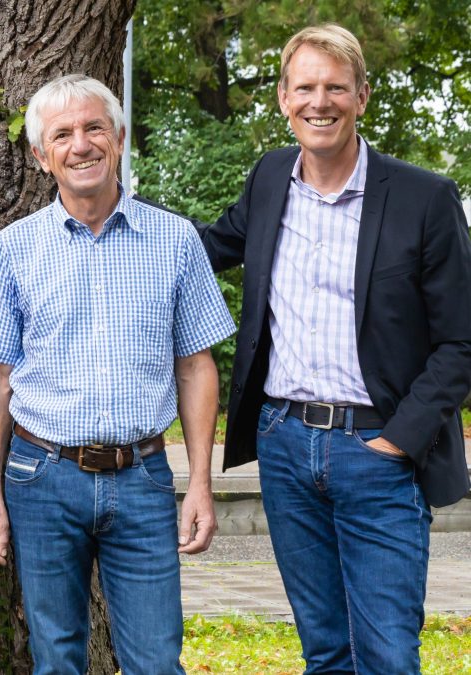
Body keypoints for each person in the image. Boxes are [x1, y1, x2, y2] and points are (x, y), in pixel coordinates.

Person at [198, 24, 471, 673]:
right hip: (285, 447)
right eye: (305, 88)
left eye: (335, 88)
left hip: (378, 450)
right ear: (283, 98)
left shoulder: (424, 198)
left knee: (387, 656)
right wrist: (109, 209)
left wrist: (399, 441)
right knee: (324, 653)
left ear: (362, 96)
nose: (319, 102)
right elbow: (206, 245)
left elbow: (462, 340)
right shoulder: (269, 178)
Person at [0, 74, 236, 674]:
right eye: (62, 135)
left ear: (120, 138)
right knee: (55, 661)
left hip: (143, 477)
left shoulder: (175, 240)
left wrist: (200, 484)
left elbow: (196, 367)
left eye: (94, 128)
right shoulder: (12, 249)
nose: (80, 145)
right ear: (42, 156)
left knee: (156, 663)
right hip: (41, 478)